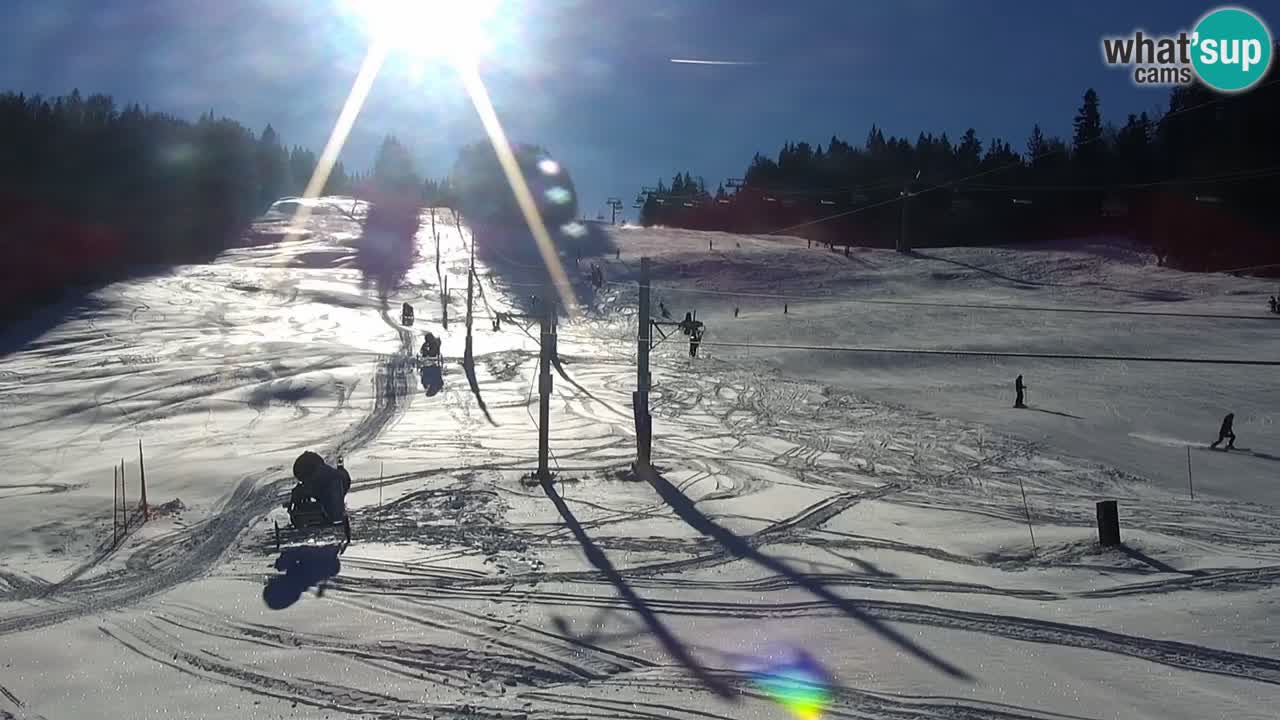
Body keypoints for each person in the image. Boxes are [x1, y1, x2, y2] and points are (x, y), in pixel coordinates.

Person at [289, 451, 350, 522]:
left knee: (334, 515)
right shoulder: (324, 475)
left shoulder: (323, 478)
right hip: (337, 479)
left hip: (335, 481)